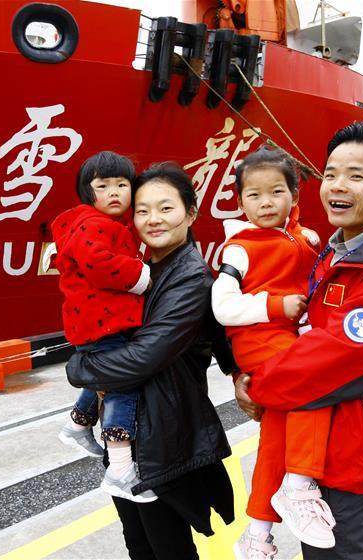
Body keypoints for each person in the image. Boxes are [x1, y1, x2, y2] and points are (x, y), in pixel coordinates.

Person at [236, 122, 363, 558]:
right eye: (330, 174)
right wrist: (241, 369)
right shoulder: (336, 251)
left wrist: (256, 385)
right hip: (307, 445)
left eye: (355, 176)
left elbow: (329, 359)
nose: (337, 186)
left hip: (346, 456)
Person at [67, 162, 237, 559]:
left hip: (163, 437)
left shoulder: (190, 278)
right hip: (126, 427)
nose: (152, 219)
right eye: (142, 210)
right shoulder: (141, 270)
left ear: (191, 213)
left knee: (168, 547)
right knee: (139, 544)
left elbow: (144, 357)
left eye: (165, 208)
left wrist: (78, 369)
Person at [211, 146, 335, 558]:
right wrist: (274, 306)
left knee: (276, 440)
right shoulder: (239, 248)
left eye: (276, 192)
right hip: (261, 343)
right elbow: (221, 307)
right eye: (254, 195)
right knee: (314, 382)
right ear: (241, 201)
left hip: (289, 339)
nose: (265, 202)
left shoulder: (306, 238)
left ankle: (257, 534)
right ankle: (299, 486)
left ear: (294, 195)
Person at [52, 151, 155, 502]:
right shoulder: (96, 224)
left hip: (95, 322)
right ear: (87, 190)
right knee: (123, 386)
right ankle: (120, 470)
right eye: (103, 186)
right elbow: (98, 263)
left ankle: (78, 424)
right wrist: (141, 276)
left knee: (106, 377)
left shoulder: (91, 223)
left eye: (122, 185)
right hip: (103, 323)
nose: (114, 192)